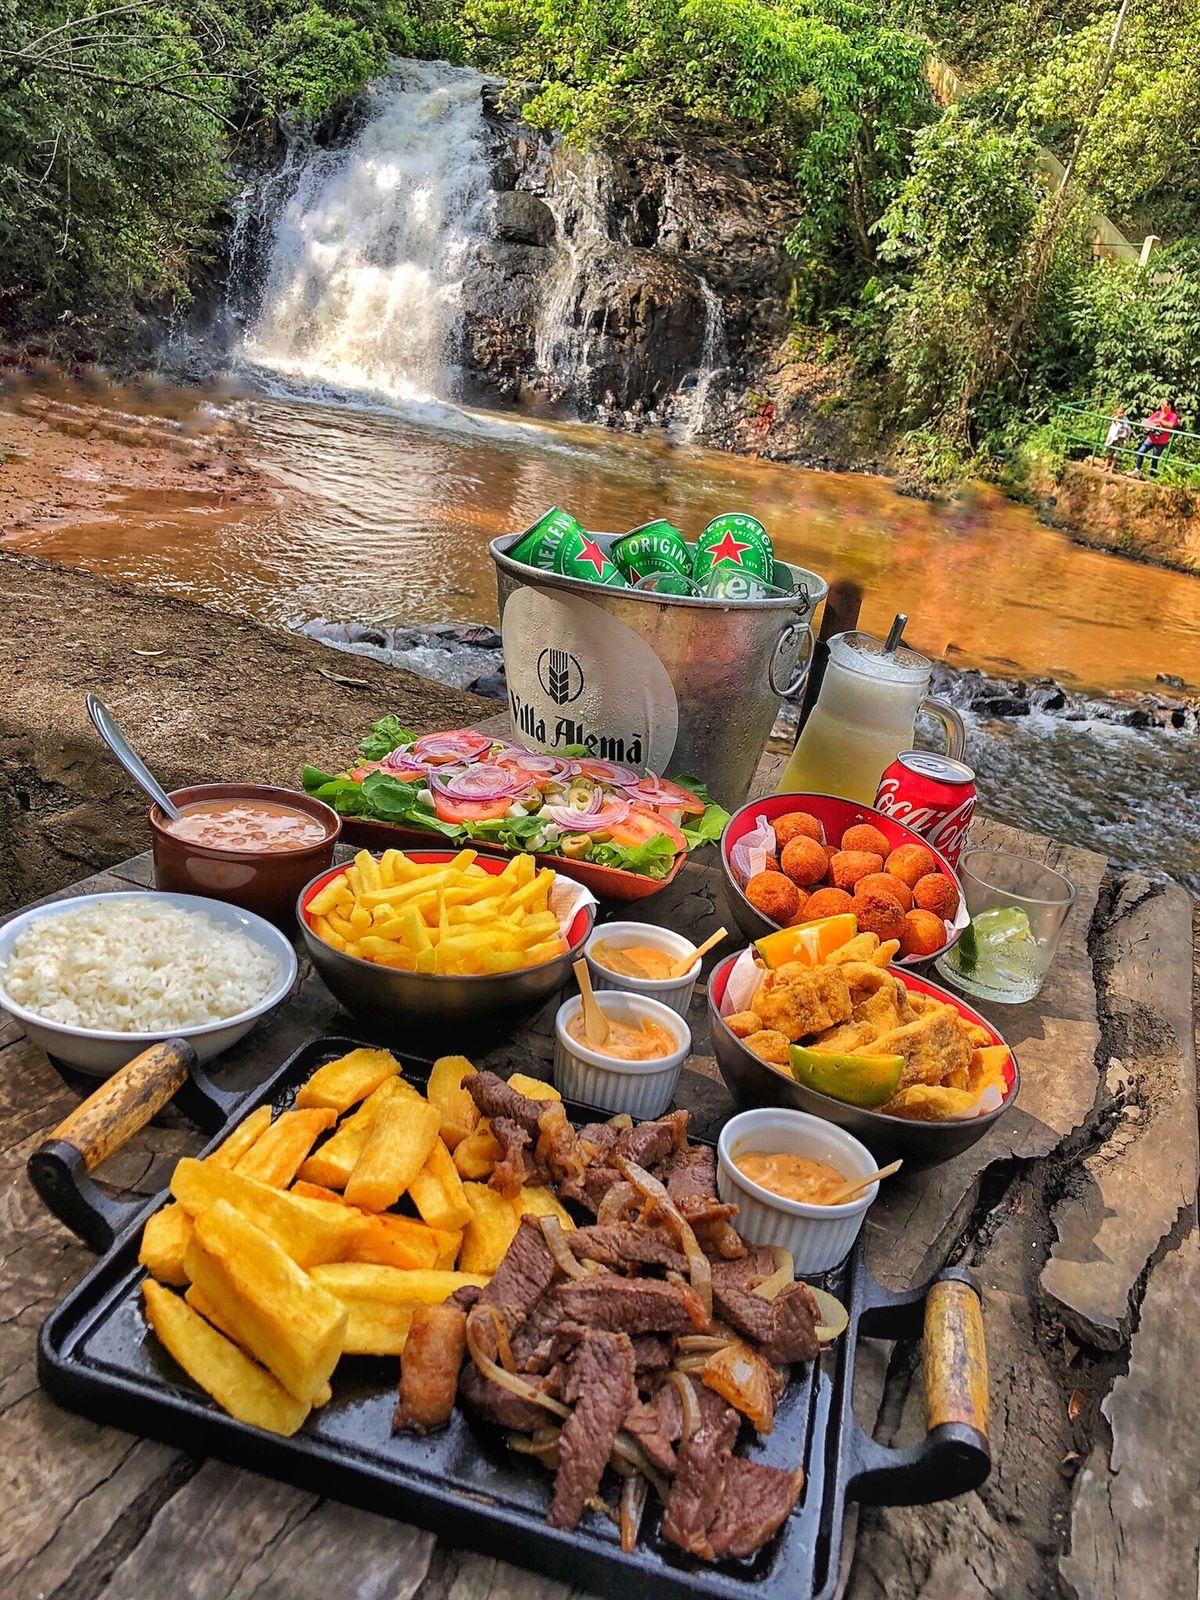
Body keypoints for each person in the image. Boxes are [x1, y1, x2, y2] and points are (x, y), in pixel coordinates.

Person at [1132, 398, 1179, 478]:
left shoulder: (1173, 416)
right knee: (1140, 451)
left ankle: (1152, 475)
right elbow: (1148, 420)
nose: (1162, 406)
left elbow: (1171, 425)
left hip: (1161, 441)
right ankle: (1137, 470)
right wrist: (1146, 424)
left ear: (1169, 406)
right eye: (1161, 405)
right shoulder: (1158, 413)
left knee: (1154, 458)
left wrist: (1160, 421)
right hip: (1151, 438)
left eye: (1163, 405)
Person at [1103, 407, 1131, 471]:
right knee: (1108, 454)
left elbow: (1128, 428)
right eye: (1120, 413)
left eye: (1123, 413)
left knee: (1116, 455)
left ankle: (1111, 469)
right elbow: (1115, 427)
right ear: (1116, 414)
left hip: (1120, 439)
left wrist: (1126, 438)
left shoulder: (1126, 420)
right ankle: (1105, 467)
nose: (1122, 414)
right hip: (1113, 438)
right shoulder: (1114, 419)